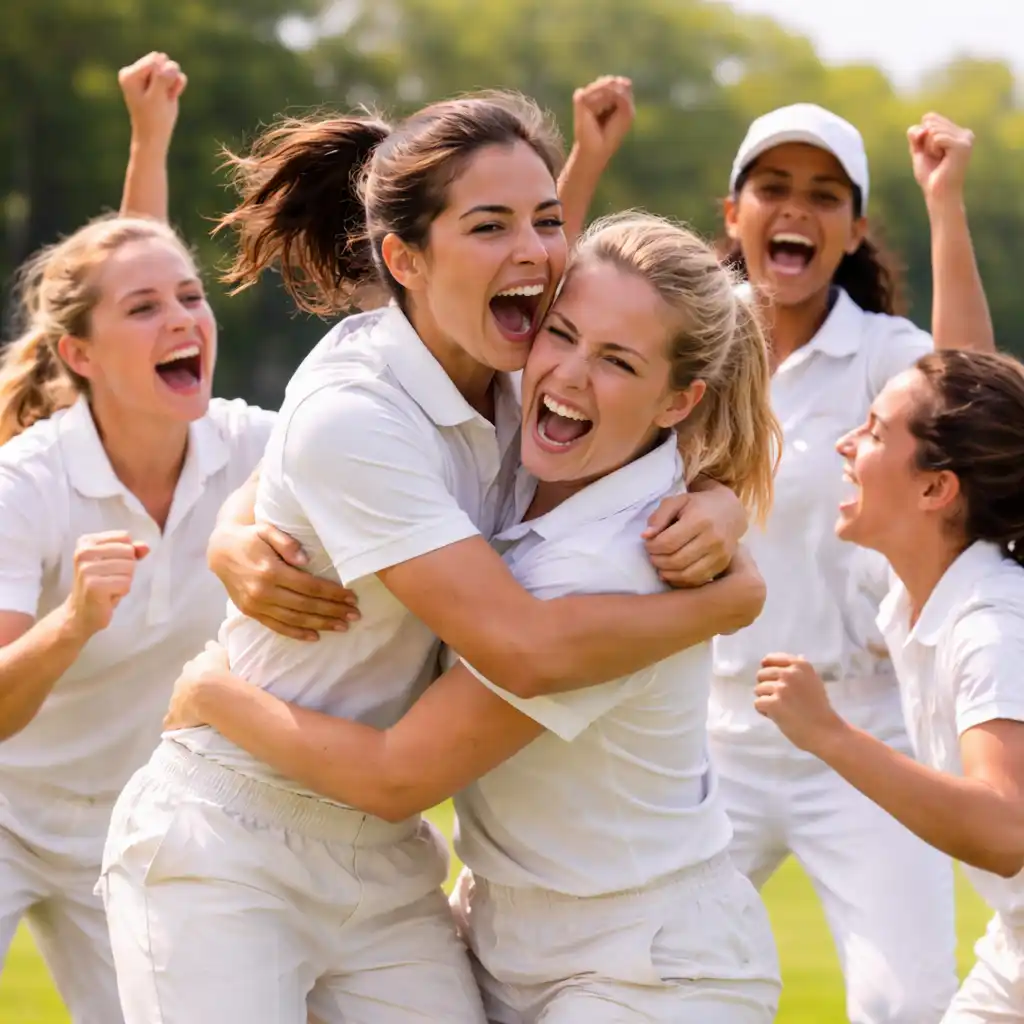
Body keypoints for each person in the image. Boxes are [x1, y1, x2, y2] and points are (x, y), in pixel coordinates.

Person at [100, 91, 764, 1024]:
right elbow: (516, 640)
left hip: (389, 852)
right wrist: (724, 604)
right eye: (490, 225)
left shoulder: (519, 384)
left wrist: (726, 515)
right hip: (230, 832)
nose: (532, 251)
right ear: (405, 261)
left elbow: (657, 421)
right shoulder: (360, 405)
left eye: (547, 220)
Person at [0, 53, 356, 1024]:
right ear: (77, 356)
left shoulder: (253, 444)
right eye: (147, 310)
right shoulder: (28, 479)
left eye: (192, 299)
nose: (182, 319)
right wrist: (74, 620)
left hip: (127, 821)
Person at [706, 101, 995, 1022]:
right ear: (734, 213)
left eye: (824, 196)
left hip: (862, 728)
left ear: (854, 229)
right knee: (652, 974)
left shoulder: (877, 352)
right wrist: (584, 161)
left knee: (904, 1004)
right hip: (713, 731)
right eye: (774, 188)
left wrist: (945, 204)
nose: (796, 210)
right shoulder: (698, 342)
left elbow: (975, 404)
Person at [756, 348, 1024, 1023]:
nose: (848, 444)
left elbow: (1006, 826)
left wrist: (828, 736)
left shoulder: (992, 624)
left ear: (937, 489)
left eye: (874, 432)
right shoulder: (917, 604)